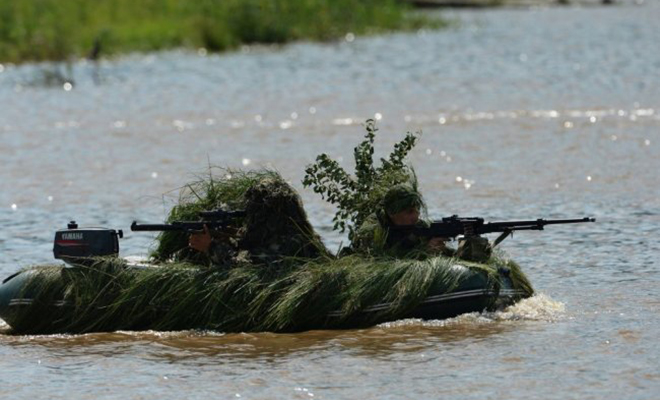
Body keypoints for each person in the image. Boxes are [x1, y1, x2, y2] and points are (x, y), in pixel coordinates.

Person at [352, 184, 451, 257]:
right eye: (409, 212)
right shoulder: (372, 229)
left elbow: (445, 252)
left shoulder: (419, 227)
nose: (417, 215)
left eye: (417, 209)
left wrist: (461, 249)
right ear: (392, 213)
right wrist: (426, 251)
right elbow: (381, 260)